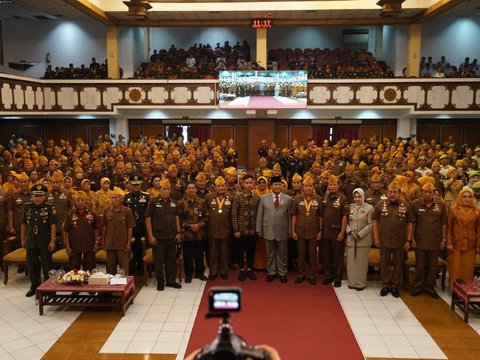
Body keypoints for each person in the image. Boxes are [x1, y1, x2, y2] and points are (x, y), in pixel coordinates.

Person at [372, 180, 414, 298]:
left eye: (395, 192)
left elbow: (410, 223)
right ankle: (385, 285)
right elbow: (375, 221)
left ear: (399, 193)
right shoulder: (380, 204)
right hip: (384, 239)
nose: (392, 194)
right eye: (390, 192)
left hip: (400, 240)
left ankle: (395, 285)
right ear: (387, 192)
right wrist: (376, 237)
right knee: (384, 263)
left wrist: (408, 240)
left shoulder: (405, 205)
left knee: (398, 264)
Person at [410, 179, 447, 299]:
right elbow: (412, 222)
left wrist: (444, 240)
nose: (428, 194)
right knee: (419, 265)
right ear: (422, 193)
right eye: (425, 192)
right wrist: (412, 239)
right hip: (420, 240)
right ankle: (418, 286)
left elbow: (444, 224)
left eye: (430, 192)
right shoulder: (415, 204)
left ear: (434, 193)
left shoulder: (440, 205)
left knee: (433, 266)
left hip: (435, 240)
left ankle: (430, 287)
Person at [145, 179, 182, 291]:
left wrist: (178, 232)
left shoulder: (173, 202)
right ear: (159, 190)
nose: (166, 191)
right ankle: (160, 281)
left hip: (171, 236)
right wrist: (150, 236)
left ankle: (171, 281)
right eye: (164, 189)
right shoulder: (153, 201)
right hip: (158, 237)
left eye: (168, 189)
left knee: (171, 260)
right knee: (158, 261)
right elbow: (148, 219)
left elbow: (176, 217)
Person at [21, 185, 57, 297]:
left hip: (45, 240)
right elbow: (23, 224)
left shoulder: (49, 208)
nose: (37, 198)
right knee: (32, 265)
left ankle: (49, 288)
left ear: (45, 196)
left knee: (47, 266)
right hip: (31, 240)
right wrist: (23, 239)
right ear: (32, 196)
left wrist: (52, 241)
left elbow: (53, 225)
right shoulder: (27, 207)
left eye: (40, 196)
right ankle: (34, 287)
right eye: (35, 196)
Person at [256, 176, 292, 283]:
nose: (277, 186)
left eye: (279, 184)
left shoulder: (288, 199)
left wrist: (290, 230)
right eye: (275, 184)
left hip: (283, 229)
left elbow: (290, 216)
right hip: (268, 230)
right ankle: (271, 272)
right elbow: (260, 215)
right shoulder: (263, 198)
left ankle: (282, 273)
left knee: (282, 253)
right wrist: (259, 229)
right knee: (270, 253)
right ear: (271, 186)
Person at [291, 176, 322, 285]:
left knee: (312, 254)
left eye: (310, 186)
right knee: (301, 254)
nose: (308, 188)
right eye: (306, 186)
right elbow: (294, 215)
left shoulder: (318, 199)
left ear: (313, 187)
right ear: (303, 187)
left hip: (313, 231)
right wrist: (293, 230)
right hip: (300, 231)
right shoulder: (297, 199)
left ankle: (312, 275)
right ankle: (301, 274)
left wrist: (320, 230)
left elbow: (321, 216)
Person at [447, 188, 480, 285]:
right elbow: (449, 227)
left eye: (470, 197)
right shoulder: (453, 209)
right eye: (464, 196)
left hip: (471, 244)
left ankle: (466, 290)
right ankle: (455, 290)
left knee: (468, 268)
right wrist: (449, 243)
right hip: (456, 243)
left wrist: (478, 245)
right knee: (455, 267)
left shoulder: (477, 212)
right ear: (460, 197)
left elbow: (478, 229)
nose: (467, 199)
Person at [177, 182, 208, 283]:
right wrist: (189, 226)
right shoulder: (181, 203)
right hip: (187, 234)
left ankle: (199, 273)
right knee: (188, 255)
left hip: (199, 234)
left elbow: (206, 216)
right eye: (189, 188)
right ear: (186, 190)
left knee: (199, 255)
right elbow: (178, 218)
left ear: (196, 189)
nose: (191, 190)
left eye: (193, 188)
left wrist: (199, 225)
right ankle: (189, 274)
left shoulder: (202, 202)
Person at [321, 175, 349, 287]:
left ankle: (338, 277)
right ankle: (328, 275)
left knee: (337, 256)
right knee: (326, 255)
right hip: (325, 231)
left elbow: (345, 217)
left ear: (338, 185)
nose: (332, 186)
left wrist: (342, 232)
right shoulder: (325, 198)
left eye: (334, 184)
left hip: (337, 232)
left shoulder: (343, 199)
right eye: (330, 184)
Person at [231, 174, 260, 281]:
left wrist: (258, 229)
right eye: (246, 183)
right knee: (240, 251)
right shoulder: (237, 196)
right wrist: (236, 229)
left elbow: (258, 213)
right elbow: (234, 214)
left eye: (250, 183)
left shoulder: (256, 197)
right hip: (241, 230)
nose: (248, 185)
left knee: (251, 251)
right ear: (242, 183)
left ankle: (250, 269)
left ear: (253, 184)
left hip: (252, 230)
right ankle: (242, 269)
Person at [102, 187, 135, 276]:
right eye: (112, 197)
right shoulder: (107, 210)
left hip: (122, 244)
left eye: (116, 198)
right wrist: (103, 240)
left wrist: (128, 243)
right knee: (110, 269)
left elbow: (130, 228)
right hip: (110, 243)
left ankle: (125, 288)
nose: (114, 200)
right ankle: (111, 288)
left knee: (124, 269)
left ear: (121, 199)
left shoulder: (127, 211)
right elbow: (105, 226)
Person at [205, 176, 233, 280]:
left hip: (226, 229)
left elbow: (232, 215)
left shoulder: (230, 197)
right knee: (213, 252)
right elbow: (205, 213)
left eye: (222, 186)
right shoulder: (209, 197)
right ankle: (213, 271)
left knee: (225, 252)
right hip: (212, 229)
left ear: (225, 186)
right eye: (218, 186)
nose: (220, 188)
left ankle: (224, 271)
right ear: (215, 187)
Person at [346, 188, 374, 291]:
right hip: (351, 239)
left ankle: (360, 283)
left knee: (361, 263)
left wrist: (359, 234)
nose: (357, 199)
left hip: (363, 240)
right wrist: (349, 232)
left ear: (363, 197)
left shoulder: (369, 208)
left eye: (359, 197)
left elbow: (371, 224)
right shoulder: (350, 207)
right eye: (355, 197)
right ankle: (352, 282)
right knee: (351, 262)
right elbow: (346, 222)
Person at [63, 191, 98, 271]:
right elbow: (66, 231)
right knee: (73, 271)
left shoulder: (92, 213)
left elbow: (96, 229)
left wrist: (96, 243)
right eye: (78, 200)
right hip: (74, 245)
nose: (80, 202)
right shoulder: (70, 214)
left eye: (82, 200)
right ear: (75, 201)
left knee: (90, 270)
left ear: (86, 200)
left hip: (89, 245)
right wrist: (67, 246)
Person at [123, 175, 150, 276]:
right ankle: (131, 267)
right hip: (130, 229)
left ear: (141, 184)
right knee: (130, 249)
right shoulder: (126, 197)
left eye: (137, 185)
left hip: (142, 229)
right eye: (133, 185)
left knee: (141, 249)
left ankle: (141, 268)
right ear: (130, 184)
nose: (135, 187)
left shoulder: (146, 196)